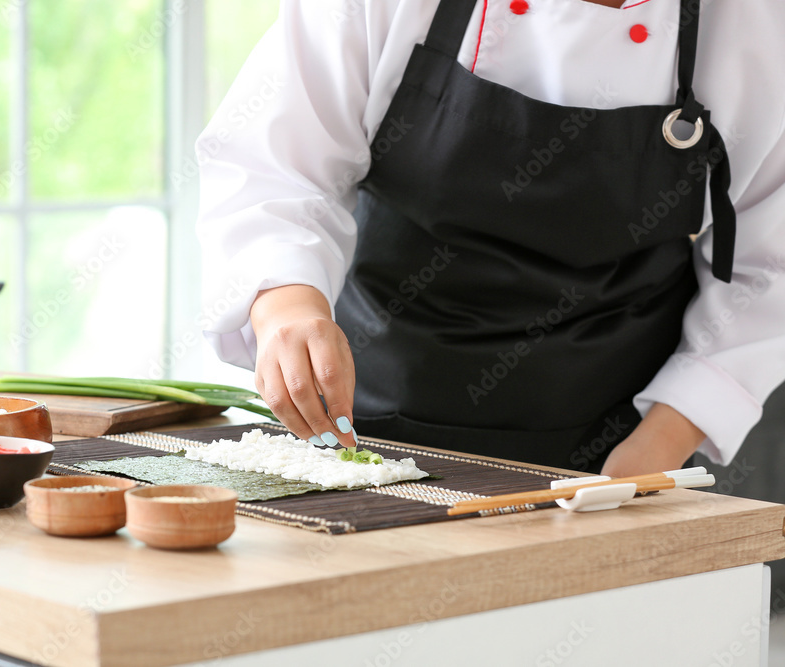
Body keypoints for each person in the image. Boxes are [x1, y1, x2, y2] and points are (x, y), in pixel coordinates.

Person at [196, 0, 785, 476]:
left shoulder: (757, 24)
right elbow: (275, 166)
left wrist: (661, 442)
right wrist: (287, 309)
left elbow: (769, 268)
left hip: (616, 450)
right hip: (362, 433)